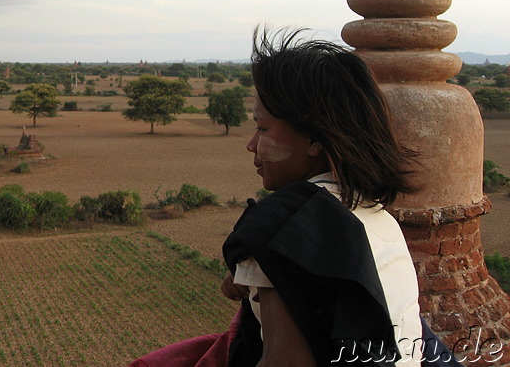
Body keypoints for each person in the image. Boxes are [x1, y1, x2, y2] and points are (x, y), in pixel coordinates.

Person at [130, 28, 461, 367]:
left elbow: (284, 359)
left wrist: (261, 253)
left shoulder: (282, 225)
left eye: (262, 129)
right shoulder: (375, 214)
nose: (251, 145)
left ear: (316, 139)